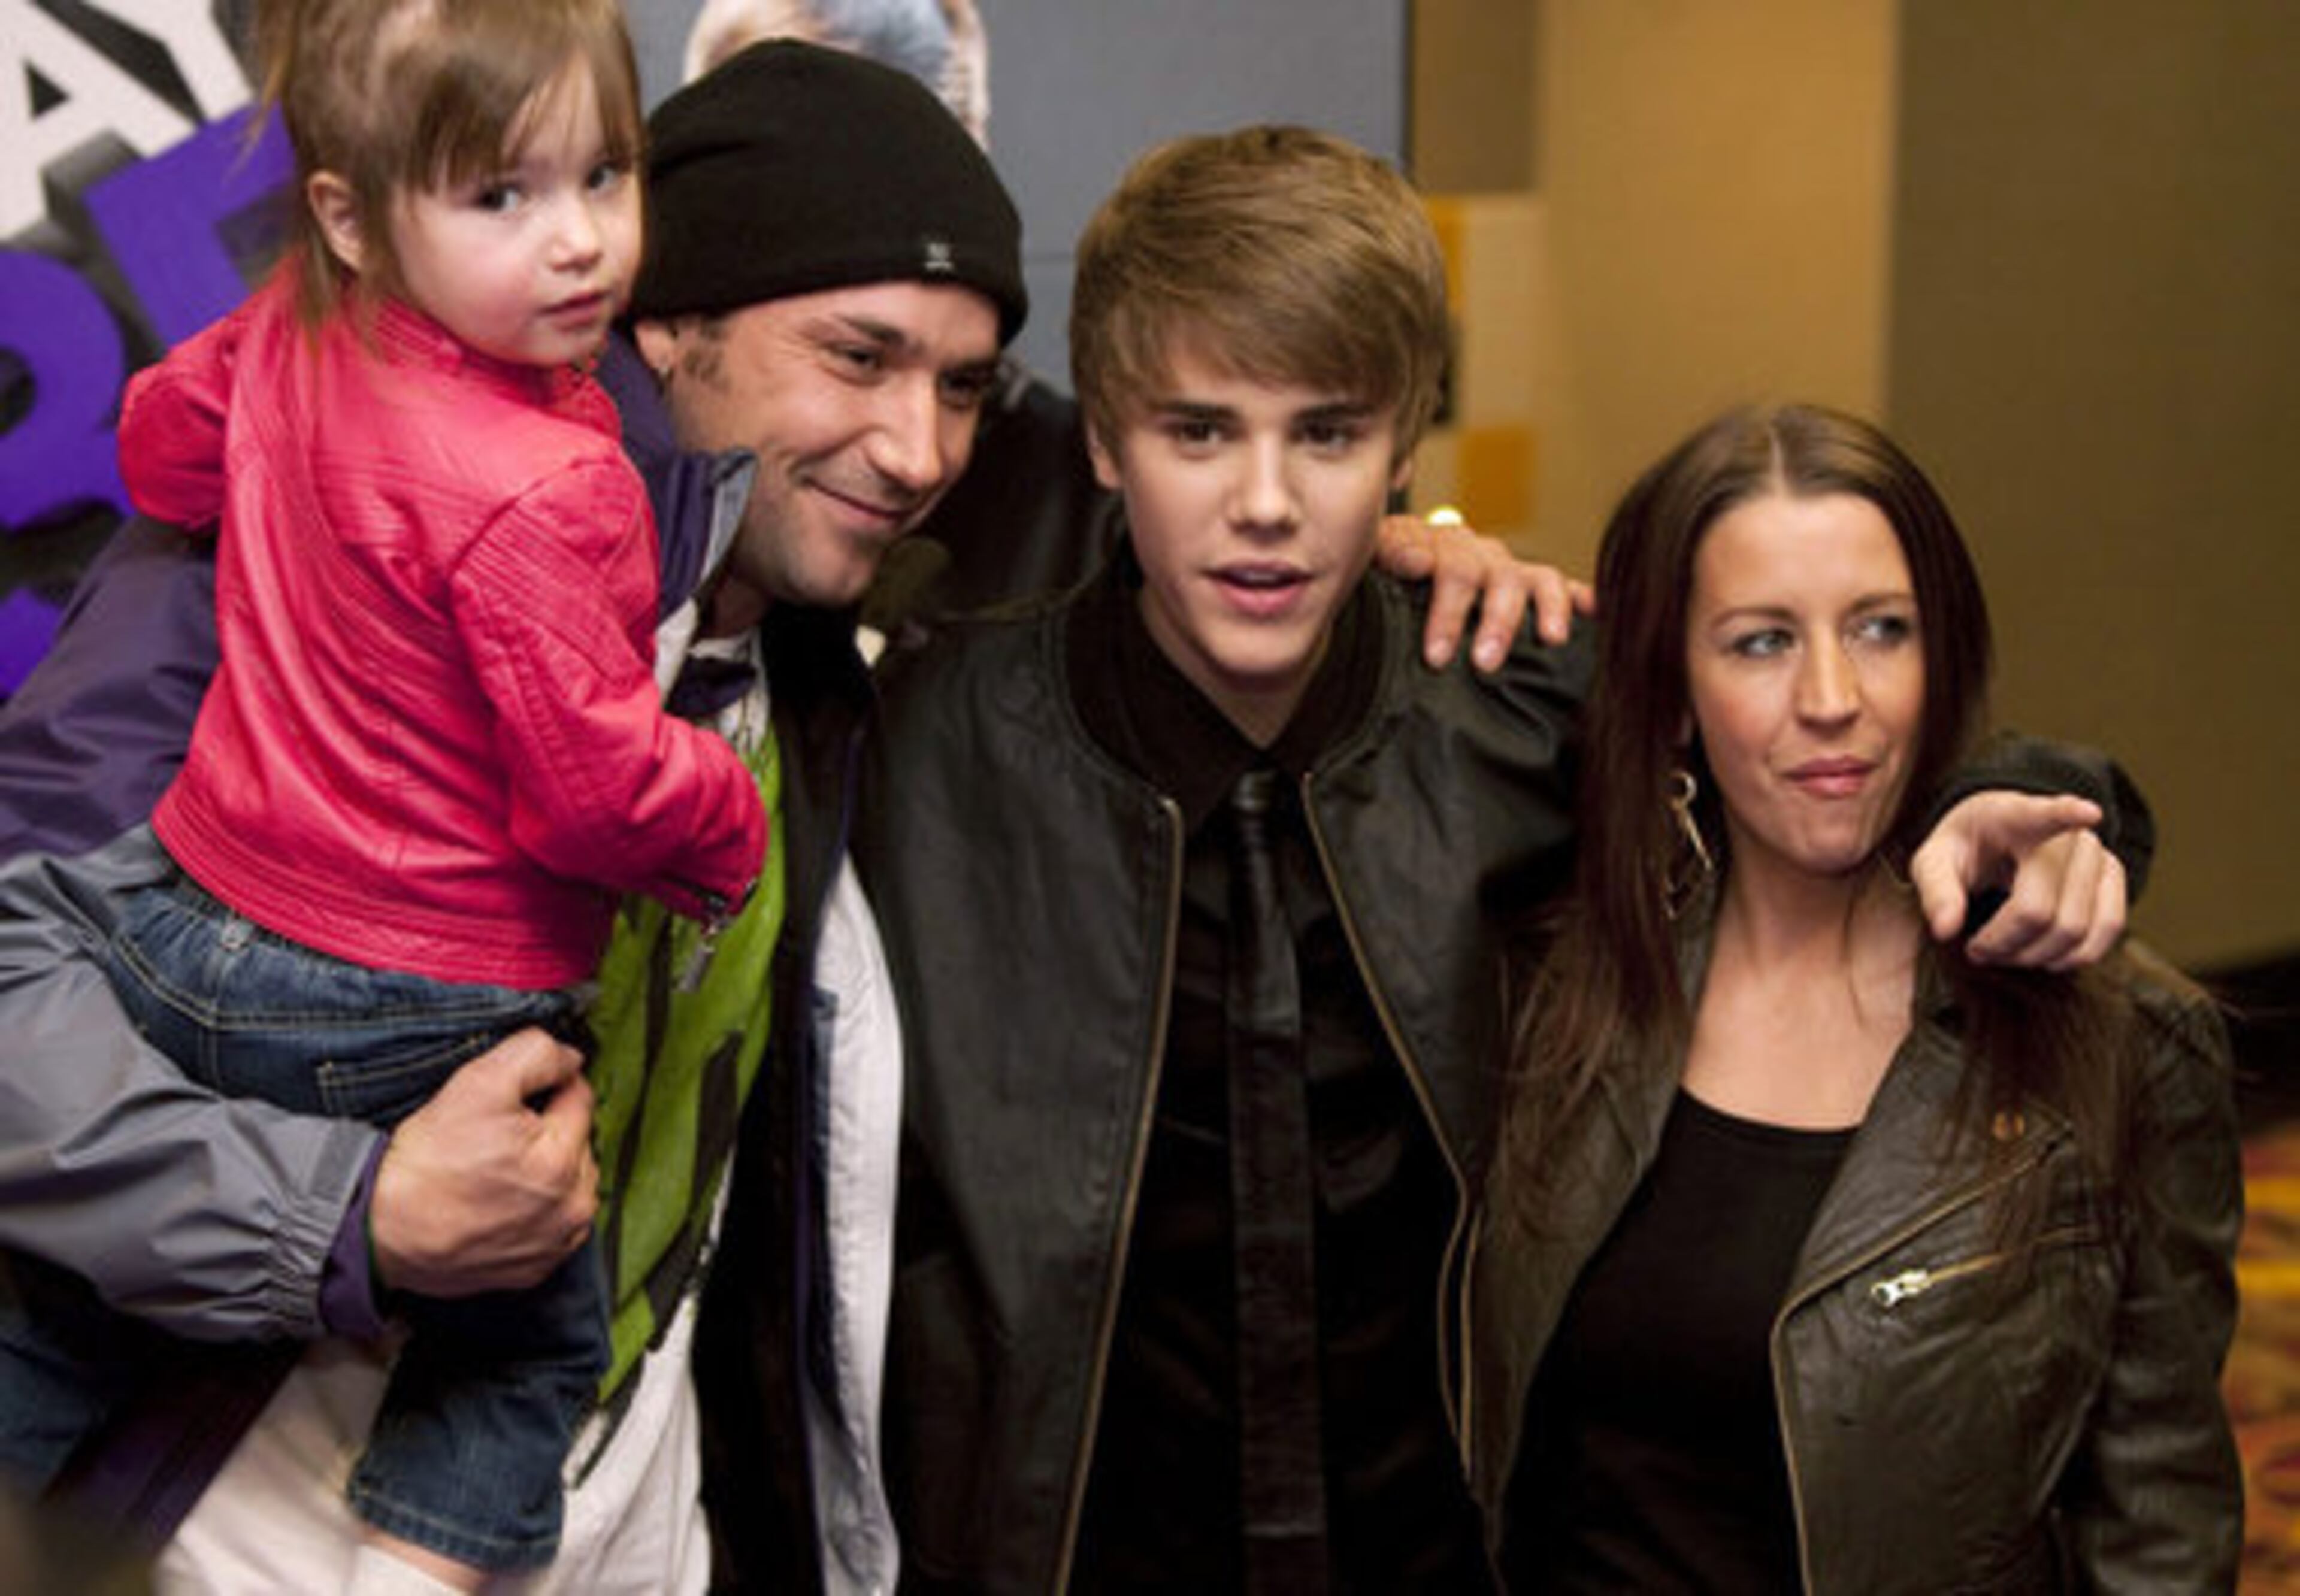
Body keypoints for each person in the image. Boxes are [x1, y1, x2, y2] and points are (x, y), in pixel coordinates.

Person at [0, 41, 1565, 1594]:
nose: (921, 451)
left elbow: (1205, 499)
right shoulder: (308, 558)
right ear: (665, 322)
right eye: (858, 358)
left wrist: (1421, 555)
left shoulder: (829, 670)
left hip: (635, 1538)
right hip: (233, 1524)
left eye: (960, 386)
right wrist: (347, 1215)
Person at [856, 128, 2153, 1594]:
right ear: (1103, 439)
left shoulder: (1528, 704)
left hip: (1455, 1556)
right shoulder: (918, 744)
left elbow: (1815, 750)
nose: (1266, 503)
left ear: (1407, 446)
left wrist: (2031, 794)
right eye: (1200, 430)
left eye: (1330, 434)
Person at [1, 2, 769, 1588]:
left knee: (57, 1310)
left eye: (604, 178)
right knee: (525, 1348)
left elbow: (163, 437)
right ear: (350, 211)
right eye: (503, 196)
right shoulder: (560, 486)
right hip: (412, 1005)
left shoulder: (288, 333)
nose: (579, 244)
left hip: (198, 930)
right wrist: (724, 820)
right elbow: (594, 798)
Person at [1467, 404, 2242, 1592]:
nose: (1834, 696)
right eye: (1761, 642)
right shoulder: (1551, 980)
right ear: (1672, 688)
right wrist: (1417, 546)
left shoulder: (2116, 1039)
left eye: (1882, 629)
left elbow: (2159, 1530)